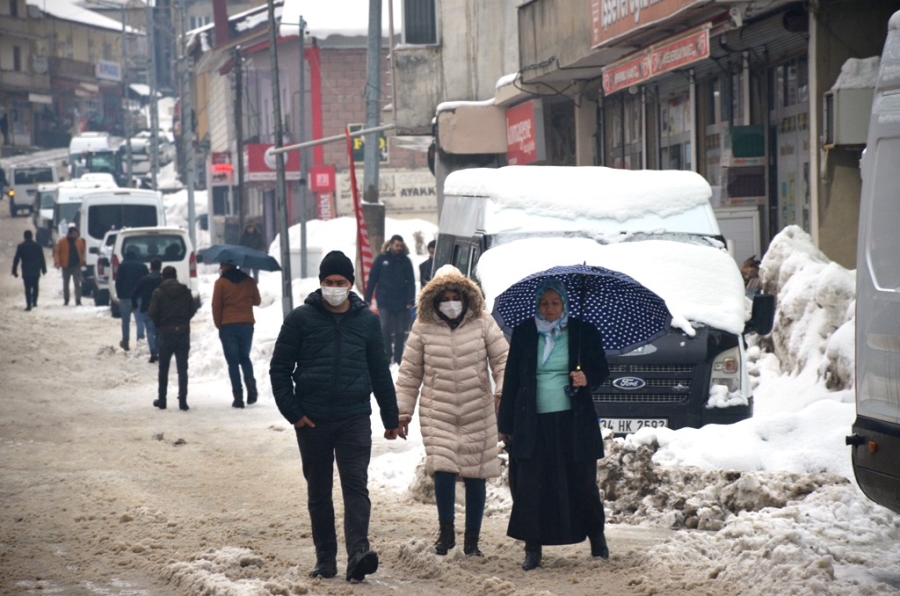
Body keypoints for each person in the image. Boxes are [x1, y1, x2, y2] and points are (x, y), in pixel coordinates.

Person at [269, 250, 401, 583]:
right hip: (312, 421)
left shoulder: (367, 322)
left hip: (354, 417)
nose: (334, 288)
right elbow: (279, 369)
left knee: (356, 487)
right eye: (328, 282)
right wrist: (294, 413)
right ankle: (325, 557)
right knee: (319, 491)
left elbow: (379, 371)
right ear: (320, 283)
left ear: (351, 284)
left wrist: (390, 417)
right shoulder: (300, 319)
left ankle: (358, 554)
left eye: (340, 282)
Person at [497, 279, 611, 571]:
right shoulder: (524, 333)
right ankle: (532, 548)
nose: (549, 308)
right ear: (537, 305)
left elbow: (601, 368)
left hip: (573, 422)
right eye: (544, 303)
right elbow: (511, 380)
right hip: (532, 422)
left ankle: (597, 541)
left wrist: (586, 377)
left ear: (564, 305)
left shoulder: (583, 332)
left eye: (555, 303)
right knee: (531, 485)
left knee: (582, 482)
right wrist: (506, 423)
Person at [395, 265, 508, 557]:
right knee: (442, 470)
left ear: (465, 295)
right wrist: (402, 412)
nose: (450, 301)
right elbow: (409, 373)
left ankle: (472, 539)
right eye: (443, 296)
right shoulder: (422, 327)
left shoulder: (483, 323)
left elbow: (503, 359)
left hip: (476, 409)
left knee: (476, 474)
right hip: (438, 410)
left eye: (454, 295)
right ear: (433, 298)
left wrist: (502, 391)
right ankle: (446, 533)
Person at [212, 262, 261, 408]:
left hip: (228, 326)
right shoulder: (249, 281)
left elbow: (216, 306)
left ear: (224, 267)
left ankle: (238, 398)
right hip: (246, 325)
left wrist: (218, 324)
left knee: (233, 362)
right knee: (245, 358)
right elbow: (257, 301)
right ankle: (251, 390)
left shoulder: (220, 283)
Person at [148, 266, 196, 411]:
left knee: (163, 368)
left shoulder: (158, 293)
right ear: (175, 276)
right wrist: (183, 321)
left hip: (166, 333)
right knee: (182, 368)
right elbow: (192, 310)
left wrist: (160, 324)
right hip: (182, 333)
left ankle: (162, 400)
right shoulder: (185, 292)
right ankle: (183, 401)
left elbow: (152, 312)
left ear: (163, 276)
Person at [363, 234, 416, 365]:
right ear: (390, 245)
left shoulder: (405, 261)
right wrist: (367, 298)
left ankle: (398, 358)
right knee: (384, 327)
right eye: (396, 245)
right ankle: (387, 355)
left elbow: (411, 282)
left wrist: (410, 300)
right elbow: (372, 280)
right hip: (384, 300)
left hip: (401, 301)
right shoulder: (381, 260)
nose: (399, 248)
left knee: (399, 330)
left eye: (401, 246)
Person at [115, 248, 149, 352]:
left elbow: (118, 282)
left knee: (125, 321)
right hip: (139, 297)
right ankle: (140, 341)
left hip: (125, 297)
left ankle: (125, 341)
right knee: (140, 320)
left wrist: (119, 294)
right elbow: (146, 282)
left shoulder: (122, 266)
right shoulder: (143, 267)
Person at [132, 258, 163, 363]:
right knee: (159, 331)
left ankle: (153, 352)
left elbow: (135, 293)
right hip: (160, 309)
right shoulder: (163, 279)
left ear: (150, 268)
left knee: (149, 331)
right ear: (160, 267)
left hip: (147, 308)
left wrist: (135, 304)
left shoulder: (144, 280)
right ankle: (159, 352)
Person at [12, 230, 47, 311]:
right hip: (35, 269)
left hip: (26, 270)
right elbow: (42, 258)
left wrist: (14, 270)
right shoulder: (38, 246)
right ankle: (34, 302)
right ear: (32, 236)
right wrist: (44, 269)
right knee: (35, 286)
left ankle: (28, 305)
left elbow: (16, 259)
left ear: (24, 236)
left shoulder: (21, 246)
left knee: (27, 288)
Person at [54, 224, 86, 306]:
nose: (76, 236)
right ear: (70, 233)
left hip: (76, 265)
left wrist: (83, 261)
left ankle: (78, 300)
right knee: (65, 284)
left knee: (77, 284)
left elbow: (82, 252)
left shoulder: (79, 241)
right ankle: (66, 299)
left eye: (77, 234)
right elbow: (57, 252)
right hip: (66, 266)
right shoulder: (62, 242)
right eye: (74, 234)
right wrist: (57, 262)